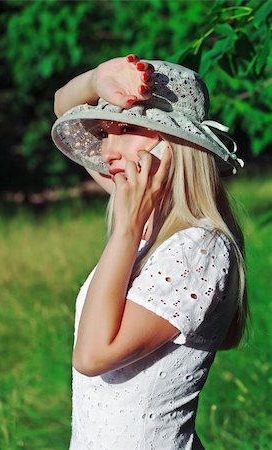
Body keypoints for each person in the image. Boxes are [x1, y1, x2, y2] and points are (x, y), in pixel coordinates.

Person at [52, 55, 249, 450]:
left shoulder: (201, 248)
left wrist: (124, 230)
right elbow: (62, 105)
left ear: (176, 145)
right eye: (103, 133)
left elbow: (92, 357)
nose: (106, 152)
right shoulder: (153, 223)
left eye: (124, 128)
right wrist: (99, 76)